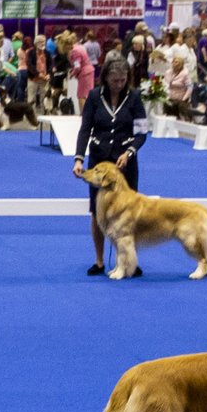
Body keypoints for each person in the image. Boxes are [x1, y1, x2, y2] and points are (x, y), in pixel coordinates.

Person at [75, 55, 144, 276]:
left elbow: (142, 132)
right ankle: (99, 260)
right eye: (115, 80)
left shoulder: (134, 98)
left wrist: (129, 152)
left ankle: (128, 260)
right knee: (97, 212)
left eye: (123, 80)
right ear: (105, 78)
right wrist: (78, 158)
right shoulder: (94, 97)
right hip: (99, 164)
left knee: (128, 213)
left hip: (125, 165)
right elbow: (85, 129)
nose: (119, 84)